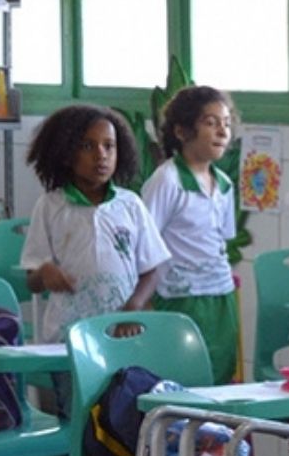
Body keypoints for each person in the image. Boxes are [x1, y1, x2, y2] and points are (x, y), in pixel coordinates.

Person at [18, 103, 170, 344]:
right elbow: (32, 282)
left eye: (109, 146)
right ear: (67, 154)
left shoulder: (130, 205)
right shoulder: (50, 206)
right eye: (88, 146)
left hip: (122, 332)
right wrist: (44, 273)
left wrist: (134, 306)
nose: (101, 155)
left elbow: (152, 269)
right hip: (68, 335)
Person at [142, 86, 243, 381]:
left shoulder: (223, 184)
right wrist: (143, 299)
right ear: (182, 131)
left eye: (226, 123)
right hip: (180, 297)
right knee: (182, 376)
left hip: (220, 294)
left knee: (219, 374)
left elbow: (221, 241)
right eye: (211, 123)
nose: (222, 131)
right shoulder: (167, 180)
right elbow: (144, 242)